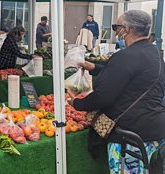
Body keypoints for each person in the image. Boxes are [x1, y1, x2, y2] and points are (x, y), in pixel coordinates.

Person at [68, 10, 165, 174]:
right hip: (157, 129)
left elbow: (103, 97)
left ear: (126, 29)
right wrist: (94, 68)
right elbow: (133, 77)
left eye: (116, 27)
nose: (115, 31)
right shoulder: (155, 53)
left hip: (131, 134)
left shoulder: (125, 56)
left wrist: (77, 103)